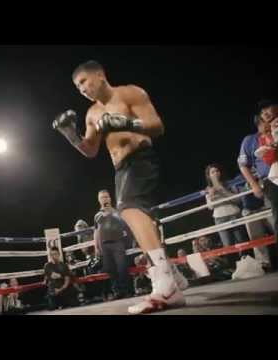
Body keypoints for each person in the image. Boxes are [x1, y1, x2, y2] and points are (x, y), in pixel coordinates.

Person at [53, 60, 185, 313]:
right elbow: (90, 150)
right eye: (76, 86)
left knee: (129, 209)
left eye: (83, 81)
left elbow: (157, 126)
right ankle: (173, 274)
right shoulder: (92, 114)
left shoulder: (129, 93)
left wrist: (125, 123)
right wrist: (71, 136)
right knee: (136, 219)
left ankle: (167, 286)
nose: (80, 89)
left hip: (141, 158)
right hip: (120, 169)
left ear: (100, 75)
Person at [239, 99, 278, 272]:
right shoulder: (252, 140)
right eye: (262, 115)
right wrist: (254, 185)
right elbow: (243, 164)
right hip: (271, 179)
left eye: (267, 112)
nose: (266, 118)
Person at [93, 189, 132, 299]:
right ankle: (117, 292)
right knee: (110, 269)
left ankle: (126, 290)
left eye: (106, 196)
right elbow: (96, 232)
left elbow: (125, 226)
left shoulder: (117, 212)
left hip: (118, 242)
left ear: (110, 198)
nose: (105, 199)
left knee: (122, 267)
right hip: (104, 245)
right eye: (102, 197)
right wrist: (96, 246)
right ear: (99, 200)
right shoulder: (97, 215)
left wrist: (111, 213)